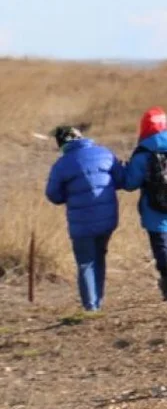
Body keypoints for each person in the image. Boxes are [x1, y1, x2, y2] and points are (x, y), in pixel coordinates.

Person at [44, 126, 122, 312]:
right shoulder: (104, 153)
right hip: (107, 219)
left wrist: (68, 195)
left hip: (81, 223)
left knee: (86, 262)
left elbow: (53, 195)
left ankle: (90, 307)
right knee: (100, 256)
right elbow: (121, 180)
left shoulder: (62, 165)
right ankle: (99, 300)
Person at [121, 107, 167, 302]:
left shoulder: (143, 152)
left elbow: (130, 183)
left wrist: (122, 170)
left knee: (161, 245)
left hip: (154, 209)